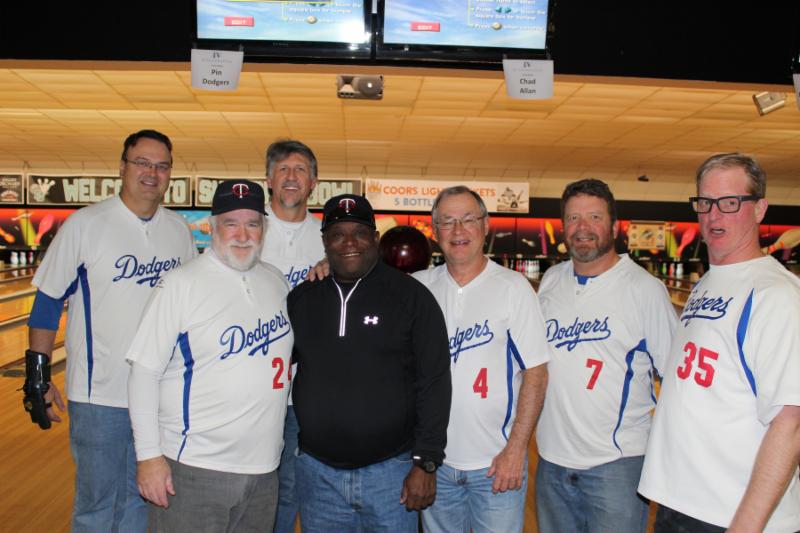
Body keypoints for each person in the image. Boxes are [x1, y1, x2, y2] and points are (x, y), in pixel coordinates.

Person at [23, 129, 196, 531]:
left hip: (161, 398)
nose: (152, 173)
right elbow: (47, 302)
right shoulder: (86, 225)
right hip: (99, 396)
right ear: (122, 167)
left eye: (162, 166)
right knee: (97, 508)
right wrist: (38, 378)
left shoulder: (179, 231)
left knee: (146, 503)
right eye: (142, 163)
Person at [639, 153, 800, 532]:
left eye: (730, 203)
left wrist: (745, 525)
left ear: (759, 209)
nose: (713, 215)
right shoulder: (709, 283)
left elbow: (791, 421)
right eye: (705, 202)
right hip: (684, 503)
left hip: (732, 516)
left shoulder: (777, 295)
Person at [126, 179, 293, 531]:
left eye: (252, 223)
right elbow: (143, 372)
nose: (243, 235)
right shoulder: (180, 284)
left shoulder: (277, 282)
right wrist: (149, 457)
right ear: (212, 227)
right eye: (231, 223)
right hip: (194, 467)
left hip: (264, 471)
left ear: (264, 229)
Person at [288, 194, 452, 532]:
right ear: (325, 242)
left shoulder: (411, 298)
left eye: (360, 233)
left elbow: (434, 382)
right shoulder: (302, 300)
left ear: (375, 238)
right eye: (338, 234)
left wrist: (426, 462)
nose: (349, 243)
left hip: (391, 473)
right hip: (318, 476)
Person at [534, 178, 677, 532]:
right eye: (573, 218)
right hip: (551, 460)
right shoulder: (551, 280)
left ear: (614, 228)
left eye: (594, 217)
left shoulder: (645, 290)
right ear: (563, 227)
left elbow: (674, 377)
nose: (582, 227)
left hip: (617, 464)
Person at [412, 185, 550, 533]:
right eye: (447, 221)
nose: (458, 230)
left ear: (486, 225)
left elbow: (536, 373)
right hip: (434, 467)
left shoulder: (513, 288)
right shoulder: (417, 288)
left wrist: (516, 450)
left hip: (496, 465)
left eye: (468, 219)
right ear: (435, 231)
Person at [259, 139, 325, 533]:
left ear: (313, 182)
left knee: (292, 489)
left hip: (306, 391)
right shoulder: (248, 229)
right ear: (268, 179)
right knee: (257, 486)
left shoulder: (330, 238)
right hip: (253, 390)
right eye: (282, 169)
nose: (290, 176)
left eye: (300, 169)